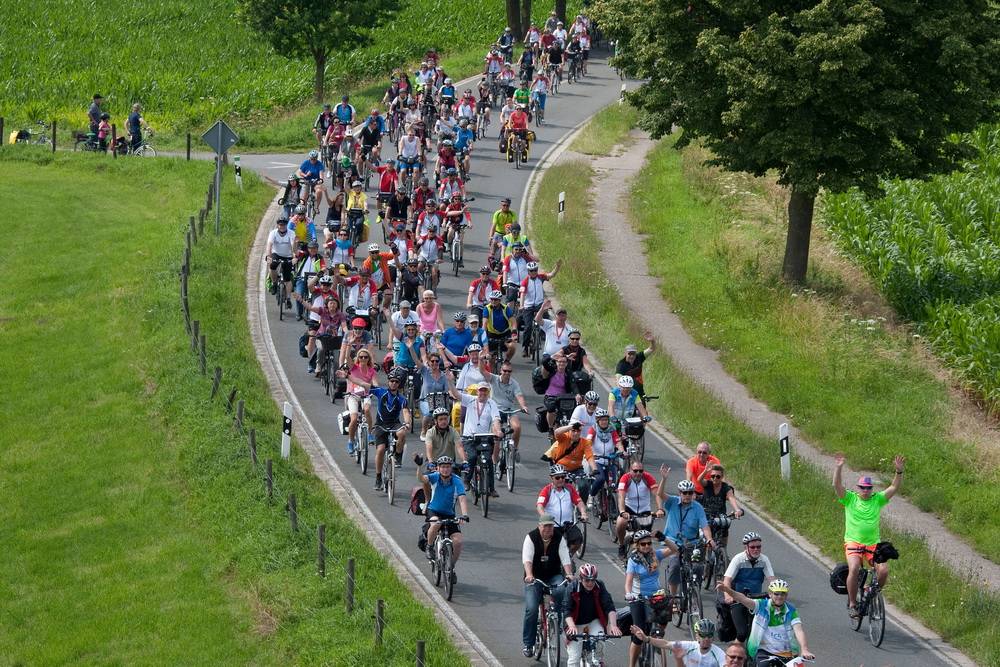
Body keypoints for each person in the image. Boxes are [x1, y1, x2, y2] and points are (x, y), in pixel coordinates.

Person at [834, 453, 904, 618]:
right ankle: (852, 603)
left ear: (872, 489)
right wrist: (838, 468)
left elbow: (893, 488)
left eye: (868, 488)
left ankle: (871, 592)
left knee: (884, 571)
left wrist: (899, 472)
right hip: (853, 542)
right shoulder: (850, 499)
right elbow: (836, 485)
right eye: (862, 488)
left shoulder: (877, 499)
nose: (865, 491)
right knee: (855, 568)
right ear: (858, 488)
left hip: (873, 544)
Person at [715, 579, 816, 664]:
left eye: (783, 594)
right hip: (764, 652)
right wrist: (727, 590)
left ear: (786, 595)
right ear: (770, 594)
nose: (779, 597)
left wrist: (804, 649)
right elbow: (743, 599)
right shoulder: (762, 605)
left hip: (788, 653)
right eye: (776, 594)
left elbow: (799, 631)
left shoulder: (791, 610)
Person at [522, 514, 575, 657]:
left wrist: (569, 573)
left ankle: (556, 621)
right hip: (535, 577)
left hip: (553, 575)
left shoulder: (559, 538)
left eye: (551, 525)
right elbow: (527, 559)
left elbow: (565, 558)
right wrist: (529, 574)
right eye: (545, 525)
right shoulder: (531, 538)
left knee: (561, 589)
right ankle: (528, 643)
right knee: (532, 609)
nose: (548, 528)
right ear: (539, 526)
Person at [658, 478, 713, 598]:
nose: (687, 495)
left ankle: (694, 591)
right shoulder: (673, 502)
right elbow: (660, 494)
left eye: (690, 492)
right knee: (675, 566)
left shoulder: (698, 507)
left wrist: (709, 539)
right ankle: (673, 597)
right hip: (673, 541)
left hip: (691, 542)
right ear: (680, 493)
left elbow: (705, 525)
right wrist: (664, 479)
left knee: (698, 567)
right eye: (684, 493)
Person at [717, 531, 775, 643]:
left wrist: (775, 593)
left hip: (756, 600)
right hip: (738, 599)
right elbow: (727, 580)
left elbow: (772, 580)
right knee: (742, 633)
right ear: (746, 547)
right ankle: (733, 656)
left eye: (758, 547)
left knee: (761, 633)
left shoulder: (764, 560)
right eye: (752, 547)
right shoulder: (738, 559)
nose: (756, 549)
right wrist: (728, 595)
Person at [624, 531, 671, 667]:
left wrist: (664, 538)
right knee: (639, 635)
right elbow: (628, 582)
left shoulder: (656, 555)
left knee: (663, 621)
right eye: (643, 544)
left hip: (656, 596)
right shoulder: (633, 560)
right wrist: (629, 594)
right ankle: (632, 665)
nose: (646, 546)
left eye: (649, 543)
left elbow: (674, 549)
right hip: (638, 598)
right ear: (637, 545)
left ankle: (655, 640)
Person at [564, 563, 622, 667]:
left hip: (593, 621)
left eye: (593, 580)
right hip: (575, 623)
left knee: (600, 640)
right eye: (587, 580)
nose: (590, 583)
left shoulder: (599, 585)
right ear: (581, 579)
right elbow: (566, 610)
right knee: (574, 659)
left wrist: (613, 625)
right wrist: (571, 626)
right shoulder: (572, 587)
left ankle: (598, 661)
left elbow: (609, 606)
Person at [417, 455, 470, 569]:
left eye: (448, 467)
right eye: (443, 467)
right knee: (436, 523)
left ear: (451, 468)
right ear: (438, 468)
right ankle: (429, 547)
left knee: (458, 542)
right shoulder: (435, 477)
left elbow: (462, 498)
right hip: (434, 511)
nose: (445, 469)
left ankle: (451, 567)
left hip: (449, 514)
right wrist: (419, 466)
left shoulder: (457, 481)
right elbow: (421, 479)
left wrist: (464, 515)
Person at [369, 368, 412, 491]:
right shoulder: (380, 392)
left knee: (402, 433)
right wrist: (348, 376)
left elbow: (405, 412)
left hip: (394, 424)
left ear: (399, 384)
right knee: (381, 449)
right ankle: (378, 478)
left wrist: (407, 423)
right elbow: (363, 384)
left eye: (396, 382)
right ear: (388, 382)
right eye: (392, 381)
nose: (394, 383)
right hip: (380, 425)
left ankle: (397, 455)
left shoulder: (402, 399)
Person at [457, 383, 502, 497]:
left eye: (485, 391)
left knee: (488, 461)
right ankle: (467, 480)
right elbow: (456, 394)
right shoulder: (470, 400)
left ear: (488, 392)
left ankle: (491, 488)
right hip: (470, 437)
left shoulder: (491, 403)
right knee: (471, 457)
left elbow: (496, 419)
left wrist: (498, 431)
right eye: (481, 391)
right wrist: (449, 381)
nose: (482, 393)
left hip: (484, 437)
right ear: (477, 392)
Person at [615, 462, 667, 558]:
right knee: (620, 522)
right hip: (629, 509)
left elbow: (657, 494)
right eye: (635, 471)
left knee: (646, 537)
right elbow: (621, 496)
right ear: (630, 470)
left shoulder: (648, 477)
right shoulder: (625, 478)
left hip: (644, 510)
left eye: (640, 471)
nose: (638, 473)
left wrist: (660, 509)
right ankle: (621, 545)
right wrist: (622, 511)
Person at [632, 618, 727, 667]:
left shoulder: (718, 653)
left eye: (709, 635)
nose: (706, 639)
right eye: (703, 635)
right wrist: (646, 639)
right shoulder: (690, 646)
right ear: (697, 635)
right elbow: (666, 644)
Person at [536, 463, 588, 552]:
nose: (561, 480)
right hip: (552, 525)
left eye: (563, 477)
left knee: (578, 540)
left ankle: (568, 557)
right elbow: (539, 505)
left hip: (568, 524)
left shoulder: (570, 489)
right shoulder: (546, 490)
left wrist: (583, 513)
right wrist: (545, 517)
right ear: (551, 478)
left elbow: (579, 502)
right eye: (557, 477)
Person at [541, 421, 596, 501]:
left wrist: (594, 469)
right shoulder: (564, 438)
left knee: (584, 486)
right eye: (573, 431)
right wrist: (571, 426)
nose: (576, 433)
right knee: (561, 486)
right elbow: (556, 432)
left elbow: (589, 457)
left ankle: (581, 508)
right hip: (561, 468)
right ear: (569, 431)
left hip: (577, 469)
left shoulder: (584, 443)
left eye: (578, 431)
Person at [488, 361, 530, 454]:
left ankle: (514, 450)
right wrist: (481, 359)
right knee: (497, 435)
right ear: (500, 370)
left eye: (509, 371)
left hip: (509, 411)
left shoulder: (514, 384)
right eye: (505, 370)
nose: (507, 373)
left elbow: (519, 396)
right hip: (496, 411)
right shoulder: (493, 379)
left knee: (517, 427)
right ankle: (495, 459)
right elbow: (483, 372)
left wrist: (523, 406)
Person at [343, 348, 378, 455]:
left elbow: (375, 383)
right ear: (358, 358)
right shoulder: (354, 368)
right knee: (353, 419)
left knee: (367, 410)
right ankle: (351, 441)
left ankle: (370, 433)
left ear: (369, 359)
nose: (363, 359)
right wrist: (348, 345)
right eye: (361, 357)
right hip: (353, 396)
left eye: (365, 357)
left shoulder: (371, 370)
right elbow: (347, 357)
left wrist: (376, 388)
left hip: (365, 395)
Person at [616, 332, 655, 400]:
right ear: (625, 354)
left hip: (640, 393)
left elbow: (651, 349)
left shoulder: (639, 357)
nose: (631, 356)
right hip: (628, 394)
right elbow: (618, 382)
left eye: (633, 354)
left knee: (643, 410)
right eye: (629, 354)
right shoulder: (621, 365)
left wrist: (652, 341)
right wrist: (624, 395)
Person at [266, 218, 295, 308]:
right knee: (272, 265)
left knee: (287, 279)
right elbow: (269, 245)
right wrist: (268, 256)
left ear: (286, 225)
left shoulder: (291, 233)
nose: (282, 226)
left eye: (284, 225)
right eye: (280, 225)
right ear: (278, 225)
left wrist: (294, 257)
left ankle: (289, 299)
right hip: (276, 254)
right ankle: (274, 283)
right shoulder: (273, 233)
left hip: (288, 256)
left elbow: (293, 245)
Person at [482, 290, 518, 363]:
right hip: (492, 334)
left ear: (499, 300)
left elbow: (513, 322)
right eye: (491, 299)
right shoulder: (487, 308)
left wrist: (514, 334)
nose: (493, 301)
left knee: (512, 347)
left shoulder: (506, 308)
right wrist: (483, 336)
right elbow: (484, 323)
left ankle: (506, 361)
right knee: (490, 360)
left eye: (495, 299)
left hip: (505, 333)